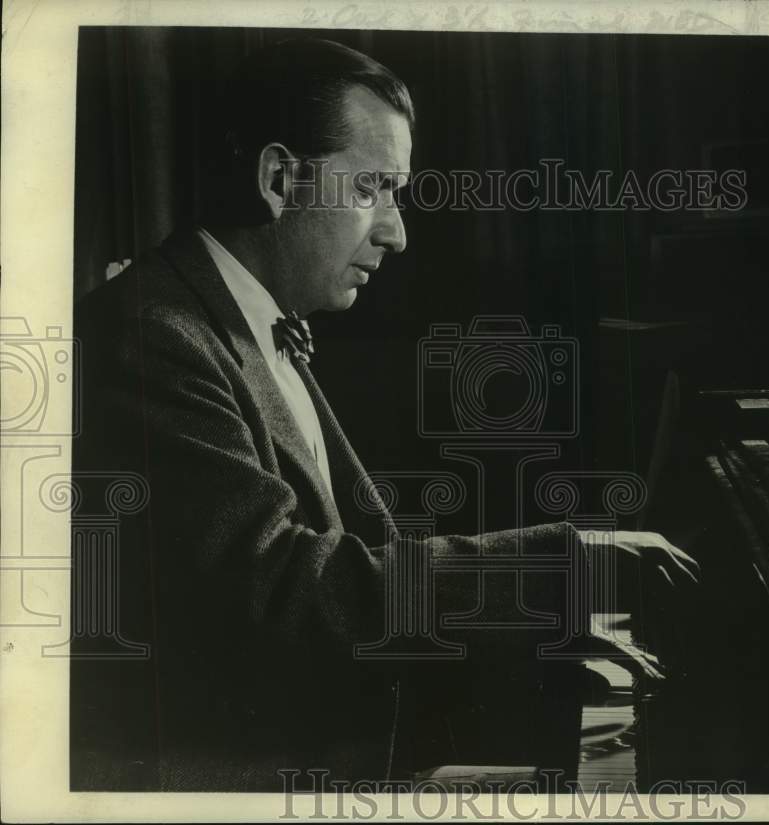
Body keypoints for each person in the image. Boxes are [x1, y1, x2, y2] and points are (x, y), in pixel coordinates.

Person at [70, 37, 699, 792]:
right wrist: (548, 567)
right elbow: (278, 592)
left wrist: (525, 633)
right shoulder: (150, 334)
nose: (396, 231)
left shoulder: (241, 320)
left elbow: (353, 578)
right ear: (279, 178)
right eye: (374, 188)